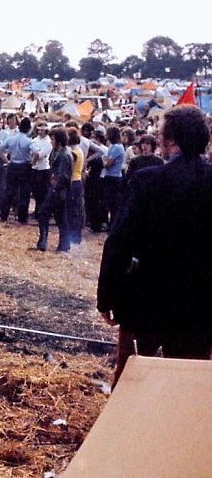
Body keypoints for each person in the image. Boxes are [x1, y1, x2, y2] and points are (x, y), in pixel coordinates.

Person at [97, 105, 212, 386]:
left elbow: (119, 243)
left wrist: (107, 297)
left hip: (145, 300)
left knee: (131, 382)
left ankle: (123, 429)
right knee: (191, 386)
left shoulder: (147, 180)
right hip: (199, 306)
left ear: (170, 140)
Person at [36, 128, 73, 252]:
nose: (51, 141)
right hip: (55, 189)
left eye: (52, 139)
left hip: (58, 191)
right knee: (59, 218)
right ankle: (63, 245)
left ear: (59, 140)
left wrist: (54, 189)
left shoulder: (64, 155)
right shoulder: (56, 151)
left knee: (44, 214)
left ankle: (44, 242)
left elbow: (63, 176)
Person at [0, 117, 33, 223]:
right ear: (29, 129)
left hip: (13, 165)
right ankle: (22, 217)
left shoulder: (11, 138)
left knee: (9, 191)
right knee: (24, 193)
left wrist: (7, 161)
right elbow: (36, 153)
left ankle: (3, 215)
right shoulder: (28, 141)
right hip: (24, 166)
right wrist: (32, 162)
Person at [102, 125, 125, 229]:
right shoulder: (111, 146)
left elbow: (108, 163)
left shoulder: (117, 147)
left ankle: (113, 225)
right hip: (109, 176)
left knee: (114, 203)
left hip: (114, 177)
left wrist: (105, 162)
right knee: (107, 202)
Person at [66, 127, 85, 246]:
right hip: (77, 180)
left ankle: (73, 237)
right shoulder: (79, 150)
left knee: (72, 211)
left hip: (73, 182)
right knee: (76, 210)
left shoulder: (73, 153)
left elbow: (68, 169)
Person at [29, 121, 53, 217]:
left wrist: (35, 156)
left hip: (43, 169)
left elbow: (41, 155)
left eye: (42, 130)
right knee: (35, 191)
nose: (40, 132)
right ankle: (37, 210)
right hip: (34, 168)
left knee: (43, 191)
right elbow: (32, 152)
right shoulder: (35, 140)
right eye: (39, 130)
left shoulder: (48, 142)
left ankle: (42, 211)